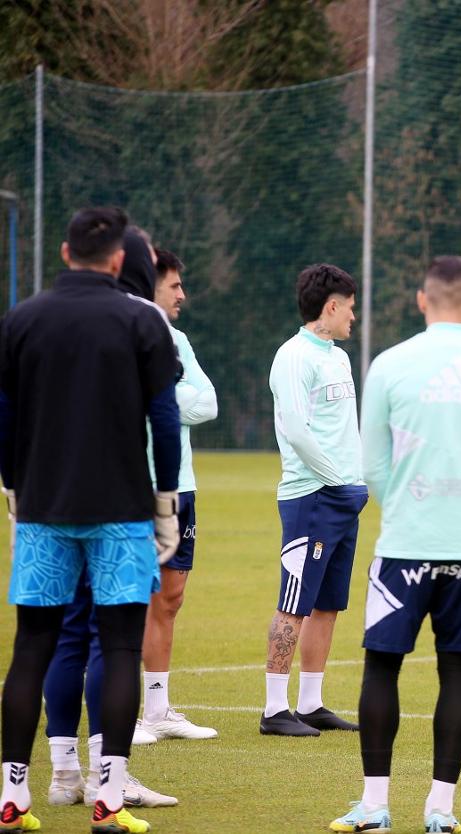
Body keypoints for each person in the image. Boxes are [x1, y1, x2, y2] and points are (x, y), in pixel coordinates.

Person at [329, 255, 461, 834]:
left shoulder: (390, 365)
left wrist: (413, 505)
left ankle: (374, 805)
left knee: (381, 668)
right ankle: (440, 811)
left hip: (405, 544)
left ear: (422, 299)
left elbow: (374, 465)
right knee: (457, 674)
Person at [0, 207, 181, 834]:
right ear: (117, 260)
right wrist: (165, 501)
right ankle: (109, 798)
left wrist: (12, 483)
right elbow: (164, 418)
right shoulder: (141, 319)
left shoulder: (21, 319)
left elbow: (4, 412)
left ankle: (13, 797)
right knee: (122, 647)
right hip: (122, 511)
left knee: (33, 647)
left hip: (44, 509)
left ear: (63, 251)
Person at [261, 263, 368, 736]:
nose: (353, 317)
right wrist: (337, 480)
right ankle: (272, 709)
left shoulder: (338, 357)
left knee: (328, 604)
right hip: (311, 497)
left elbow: (343, 430)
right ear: (331, 306)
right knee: (294, 603)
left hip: (344, 497)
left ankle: (310, 702)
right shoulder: (293, 357)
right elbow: (297, 431)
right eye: (350, 308)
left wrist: (355, 481)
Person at [136, 248, 219, 741]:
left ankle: (158, 711)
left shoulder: (179, 340)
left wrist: (160, 393)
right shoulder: (122, 333)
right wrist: (163, 392)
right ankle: (121, 714)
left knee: (171, 596)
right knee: (126, 598)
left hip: (181, 485)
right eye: (174, 285)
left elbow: (207, 404)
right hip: (133, 485)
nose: (183, 294)